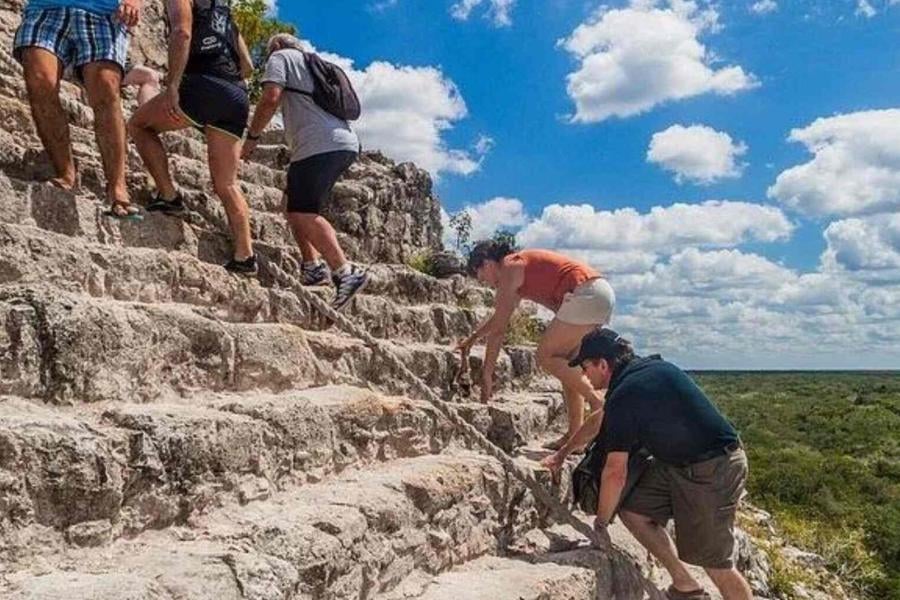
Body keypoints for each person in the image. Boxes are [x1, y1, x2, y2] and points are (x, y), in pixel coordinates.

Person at [569, 327, 752, 600]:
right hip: (682, 465)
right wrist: (564, 451)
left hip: (714, 468)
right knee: (633, 508)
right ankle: (685, 584)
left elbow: (615, 473)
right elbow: (600, 419)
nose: (585, 375)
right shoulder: (646, 372)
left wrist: (601, 523)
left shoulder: (626, 394)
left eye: (586, 367)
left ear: (603, 364)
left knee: (716, 564)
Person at [127, 0, 257, 274]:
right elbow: (247, 66)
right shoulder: (223, 11)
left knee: (139, 125)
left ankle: (168, 195)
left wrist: (174, 85)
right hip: (236, 95)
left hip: (203, 84)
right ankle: (245, 256)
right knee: (227, 184)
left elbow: (182, 32)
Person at [241, 33, 368, 310]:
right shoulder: (315, 64)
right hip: (338, 142)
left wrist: (251, 138)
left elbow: (270, 97)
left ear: (277, 47)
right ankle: (311, 266)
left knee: (303, 212)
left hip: (318, 144)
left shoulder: (280, 57)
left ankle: (344, 272)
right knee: (290, 205)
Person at [459, 241, 615, 447]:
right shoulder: (516, 273)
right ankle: (574, 438)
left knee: (545, 355)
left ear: (487, 264)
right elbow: (499, 320)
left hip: (586, 293)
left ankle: (597, 402)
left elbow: (498, 332)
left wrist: (487, 376)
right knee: (567, 363)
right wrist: (471, 340)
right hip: (597, 293)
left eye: (482, 277)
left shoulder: (510, 266)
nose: (487, 284)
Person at [13, 0, 143, 218]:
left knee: (106, 88)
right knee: (39, 80)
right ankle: (65, 174)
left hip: (102, 12)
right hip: (45, 8)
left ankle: (118, 187)